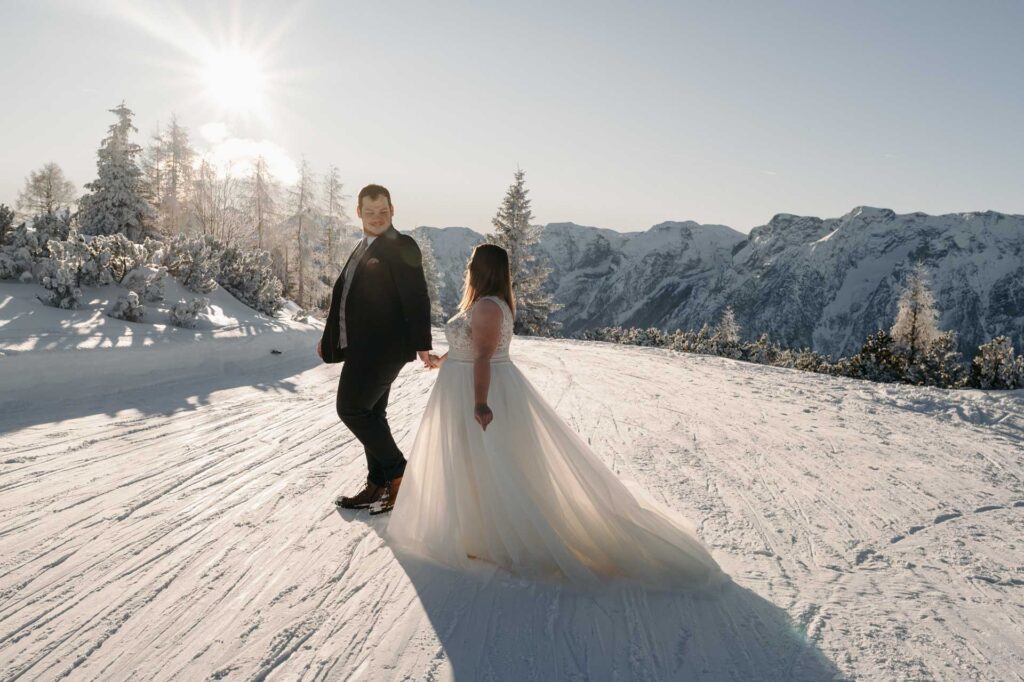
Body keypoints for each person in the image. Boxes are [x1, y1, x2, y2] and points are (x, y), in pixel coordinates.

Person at [387, 244, 727, 591]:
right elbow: (469, 348)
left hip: (478, 388)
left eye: (472, 262)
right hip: (460, 383)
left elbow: (484, 356)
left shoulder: (488, 307)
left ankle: (493, 533)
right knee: (471, 459)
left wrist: (479, 402)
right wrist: (442, 361)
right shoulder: (482, 304)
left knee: (492, 460)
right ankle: (475, 529)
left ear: (483, 269)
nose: (468, 266)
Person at [318, 184, 435, 515]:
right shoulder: (363, 245)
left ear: (392, 209)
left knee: (351, 409)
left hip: (384, 349)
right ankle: (378, 483)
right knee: (371, 414)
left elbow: (417, 296)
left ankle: (400, 474)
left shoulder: (401, 245)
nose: (377, 217)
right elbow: (347, 299)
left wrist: (422, 344)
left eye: (383, 211)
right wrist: (330, 339)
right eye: (370, 212)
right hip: (362, 347)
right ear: (359, 213)